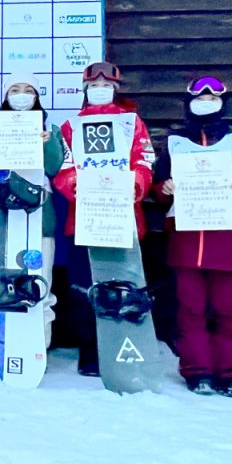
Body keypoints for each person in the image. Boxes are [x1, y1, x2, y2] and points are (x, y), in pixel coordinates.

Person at [151, 76, 232, 397]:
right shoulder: (174, 142)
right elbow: (159, 188)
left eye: (213, 97)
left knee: (229, 310)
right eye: (200, 96)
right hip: (187, 240)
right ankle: (197, 370)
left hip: (228, 239)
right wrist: (165, 189)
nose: (206, 101)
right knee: (191, 309)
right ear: (188, 102)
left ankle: (231, 373)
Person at [53, 62, 154, 376]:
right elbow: (63, 166)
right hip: (83, 216)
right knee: (84, 286)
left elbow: (144, 159)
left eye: (106, 84)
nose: (100, 89)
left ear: (115, 88)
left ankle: (122, 344)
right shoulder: (70, 125)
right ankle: (91, 350)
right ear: (85, 89)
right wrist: (75, 185)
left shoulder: (131, 122)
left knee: (122, 283)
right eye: (93, 84)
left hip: (122, 215)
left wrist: (135, 183)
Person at [0, 72, 66, 348]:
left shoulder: (50, 131)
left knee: (39, 283)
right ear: (5, 96)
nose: (21, 95)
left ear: (37, 97)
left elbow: (54, 167)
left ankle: (36, 347)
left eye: (27, 90)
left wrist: (47, 142)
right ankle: (0, 344)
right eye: (14, 89)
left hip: (39, 218)